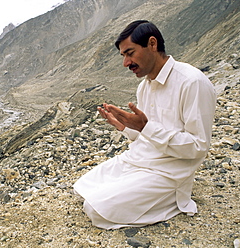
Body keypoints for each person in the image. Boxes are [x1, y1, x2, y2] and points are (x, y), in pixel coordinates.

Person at [73, 20, 216, 229]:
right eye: (123, 56)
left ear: (152, 44)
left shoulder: (192, 82)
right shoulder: (144, 87)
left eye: (130, 53)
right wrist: (125, 127)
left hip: (168, 172)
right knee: (82, 188)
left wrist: (144, 127)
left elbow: (198, 147)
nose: (125, 63)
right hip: (138, 160)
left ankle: (175, 199)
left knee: (95, 210)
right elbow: (146, 135)